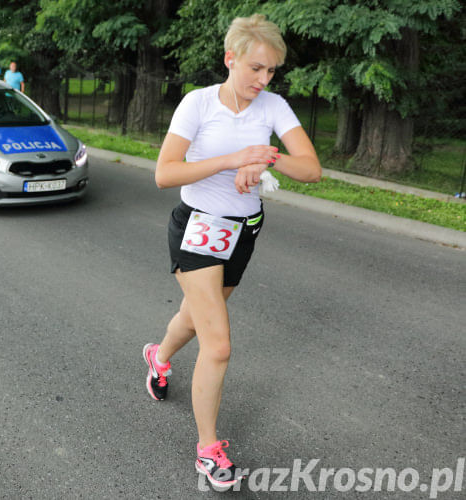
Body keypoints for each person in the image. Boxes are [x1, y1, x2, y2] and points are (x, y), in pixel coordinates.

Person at [143, 13, 321, 489]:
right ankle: (208, 450)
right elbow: (165, 173)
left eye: (271, 72)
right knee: (217, 343)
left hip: (244, 231)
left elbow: (311, 170)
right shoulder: (198, 105)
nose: (264, 80)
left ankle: (158, 357)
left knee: (196, 315)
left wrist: (266, 156)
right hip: (198, 228)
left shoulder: (274, 107)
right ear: (231, 59)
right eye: (256, 69)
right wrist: (232, 160)